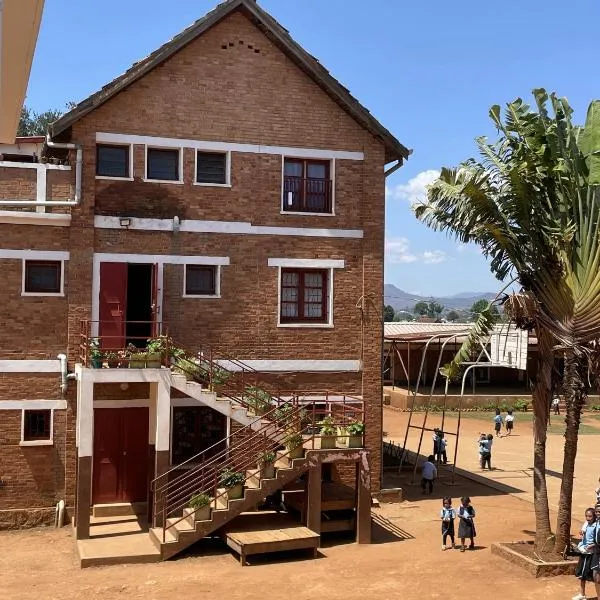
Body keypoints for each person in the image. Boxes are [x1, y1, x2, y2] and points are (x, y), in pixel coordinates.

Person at [572, 507, 598, 600]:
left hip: (591, 554)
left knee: (595, 577)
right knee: (582, 575)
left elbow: (598, 541)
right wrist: (582, 532)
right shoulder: (586, 524)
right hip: (584, 552)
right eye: (586, 516)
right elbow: (583, 531)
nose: (588, 518)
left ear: (594, 516)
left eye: (590, 516)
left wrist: (592, 546)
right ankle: (582, 594)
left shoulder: (596, 526)